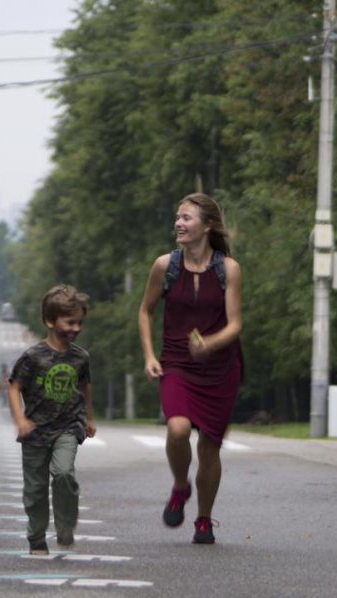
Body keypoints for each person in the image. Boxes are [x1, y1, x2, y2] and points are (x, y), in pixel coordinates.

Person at [138, 192, 243, 545]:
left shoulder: (228, 269)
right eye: (177, 217)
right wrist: (150, 356)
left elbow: (235, 324)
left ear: (208, 226)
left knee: (210, 450)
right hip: (178, 363)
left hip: (220, 368)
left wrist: (210, 344)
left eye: (187, 218)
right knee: (178, 430)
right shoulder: (164, 266)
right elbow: (145, 311)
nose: (178, 224)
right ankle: (180, 486)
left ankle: (203, 519)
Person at [7, 284, 95, 555]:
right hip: (35, 431)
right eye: (70, 322)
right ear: (50, 321)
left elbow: (85, 386)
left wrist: (89, 418)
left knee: (64, 473)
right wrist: (20, 420)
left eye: (79, 322)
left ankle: (65, 526)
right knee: (34, 489)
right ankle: (36, 538)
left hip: (68, 427)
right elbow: (13, 387)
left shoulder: (81, 357)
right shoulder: (33, 357)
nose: (76, 328)